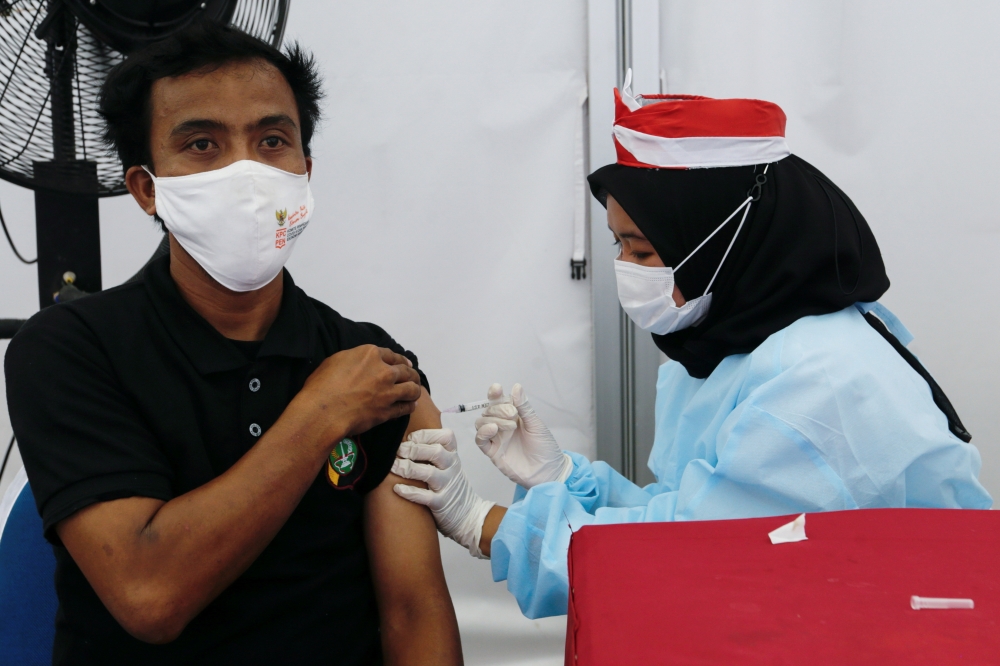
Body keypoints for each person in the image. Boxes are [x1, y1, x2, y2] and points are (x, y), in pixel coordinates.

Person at [390, 78, 993, 619]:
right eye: (618, 246)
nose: (627, 269)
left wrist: (484, 523)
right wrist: (567, 479)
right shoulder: (729, 346)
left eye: (643, 250)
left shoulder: (818, 384)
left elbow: (694, 560)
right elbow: (690, 510)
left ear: (723, 238)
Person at [4, 22, 462, 665]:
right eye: (202, 144)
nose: (246, 171)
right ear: (147, 189)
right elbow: (149, 594)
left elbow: (413, 611)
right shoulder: (70, 351)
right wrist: (320, 415)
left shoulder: (368, 361)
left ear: (305, 170)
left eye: (272, 140)